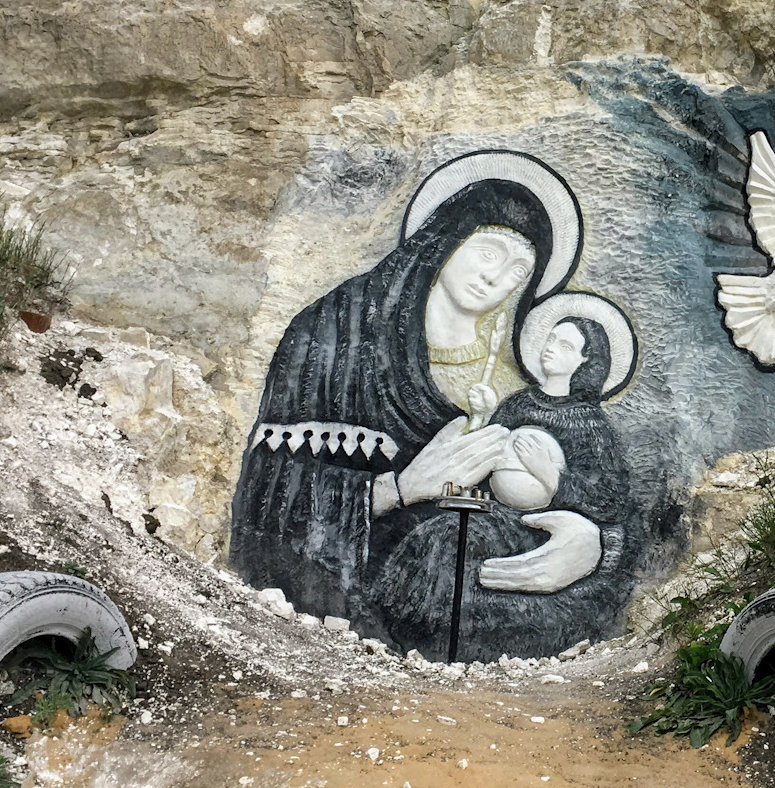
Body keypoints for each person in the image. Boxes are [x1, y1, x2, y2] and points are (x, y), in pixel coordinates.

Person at [228, 175, 558, 631]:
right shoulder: (333, 331)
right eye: (488, 254)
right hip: (363, 602)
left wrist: (588, 539)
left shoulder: (518, 381)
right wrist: (401, 488)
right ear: (446, 240)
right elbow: (265, 492)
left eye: (518, 272)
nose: (495, 279)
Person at [372, 315, 631, 660]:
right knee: (432, 536)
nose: (551, 349)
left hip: (537, 527)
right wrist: (480, 418)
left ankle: (472, 645)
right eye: (550, 339)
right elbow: (481, 456)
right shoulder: (518, 404)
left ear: (586, 360)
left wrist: (551, 477)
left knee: (453, 545)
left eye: (565, 345)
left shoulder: (590, 423)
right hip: (494, 512)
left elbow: (609, 497)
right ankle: (416, 634)